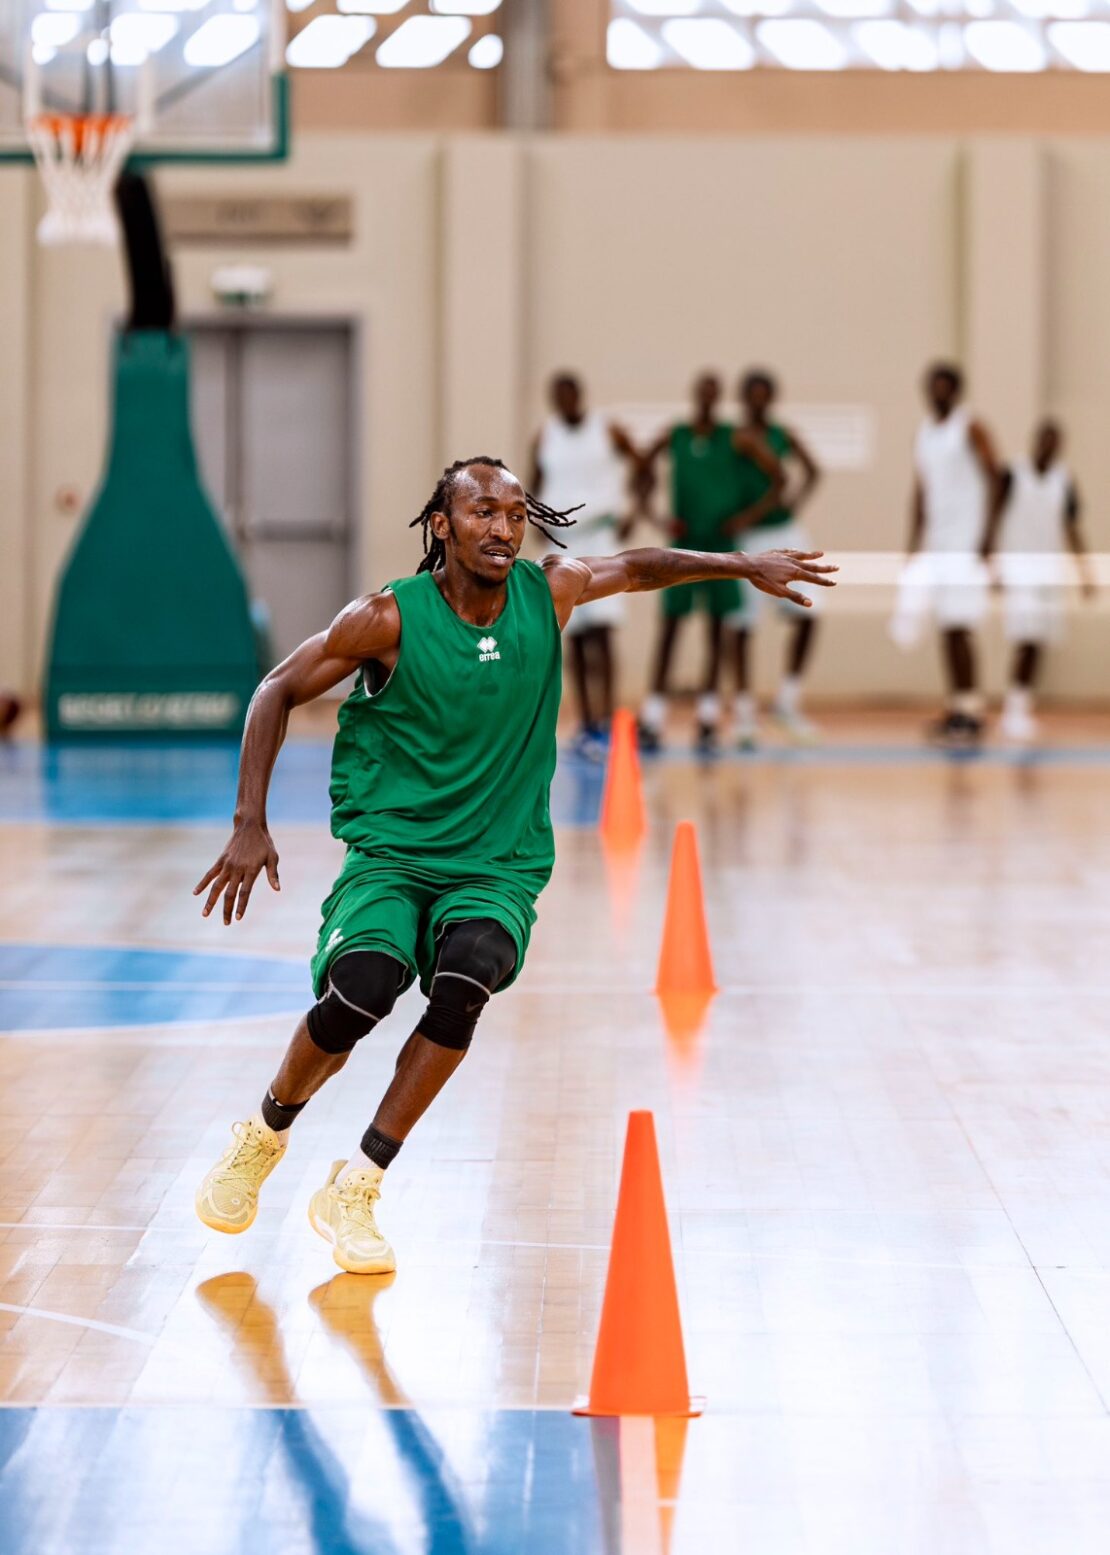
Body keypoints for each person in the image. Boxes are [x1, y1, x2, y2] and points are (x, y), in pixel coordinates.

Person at [194, 455, 835, 1275]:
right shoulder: (386, 618)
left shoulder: (551, 590)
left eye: (514, 514)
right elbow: (276, 689)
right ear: (442, 526)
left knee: (467, 979)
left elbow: (640, 567)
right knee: (361, 991)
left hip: (495, 864)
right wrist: (249, 821)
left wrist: (743, 564)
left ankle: (358, 1183)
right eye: (482, 513)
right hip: (394, 856)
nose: (502, 529)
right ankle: (265, 1131)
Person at [637, 372, 784, 754]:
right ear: (694, 395)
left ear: (718, 397)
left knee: (717, 632)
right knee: (670, 629)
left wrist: (747, 517)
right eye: (702, 392)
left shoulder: (734, 437)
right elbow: (641, 466)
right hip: (683, 543)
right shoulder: (676, 435)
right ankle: (653, 716)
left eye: (712, 393)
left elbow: (778, 477)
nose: (706, 398)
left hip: (720, 544)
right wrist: (652, 513)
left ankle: (707, 718)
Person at [530, 372, 641, 759]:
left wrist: (634, 512)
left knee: (603, 632)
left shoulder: (607, 430)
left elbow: (644, 467)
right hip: (565, 542)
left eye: (569, 393)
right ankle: (587, 722)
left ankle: (607, 719)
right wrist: (535, 523)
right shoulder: (546, 436)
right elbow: (532, 483)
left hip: (600, 535)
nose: (564, 400)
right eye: (557, 395)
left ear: (580, 394)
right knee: (572, 636)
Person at [900, 362, 1002, 747]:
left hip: (966, 542)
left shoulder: (970, 427)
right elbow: (922, 488)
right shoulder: (925, 432)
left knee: (961, 626)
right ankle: (957, 706)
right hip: (938, 543)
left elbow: (996, 478)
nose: (936, 394)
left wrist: (988, 537)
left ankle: (972, 711)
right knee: (946, 627)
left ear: (956, 391)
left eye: (944, 387)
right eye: (932, 387)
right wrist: (914, 541)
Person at [726, 370, 823, 746]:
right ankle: (744, 714)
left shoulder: (783, 434)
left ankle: (787, 702)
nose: (758, 402)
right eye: (751, 395)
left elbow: (812, 470)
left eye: (764, 395)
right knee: (741, 624)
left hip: (784, 532)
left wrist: (794, 503)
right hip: (747, 538)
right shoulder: (734, 437)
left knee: (809, 613)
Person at [988, 419, 1094, 743]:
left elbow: (1072, 528)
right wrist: (991, 562)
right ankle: (1013, 711)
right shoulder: (1013, 474)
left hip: (1048, 572)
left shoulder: (1064, 480)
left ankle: (1020, 707)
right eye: (1045, 439)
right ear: (1036, 441)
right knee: (1026, 639)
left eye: (1055, 441)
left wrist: (1084, 571)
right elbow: (992, 516)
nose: (1049, 446)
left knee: (1039, 641)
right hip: (1019, 569)